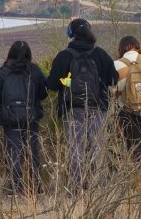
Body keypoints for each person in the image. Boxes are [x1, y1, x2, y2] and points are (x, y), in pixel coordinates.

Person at [47, 18, 117, 192]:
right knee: (97, 147)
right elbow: (114, 79)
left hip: (73, 108)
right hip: (98, 107)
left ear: (71, 34)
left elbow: (52, 85)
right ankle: (97, 187)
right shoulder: (101, 54)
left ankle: (77, 188)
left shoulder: (64, 56)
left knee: (75, 149)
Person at [0, 41, 48, 195]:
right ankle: (35, 186)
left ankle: (16, 187)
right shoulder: (34, 71)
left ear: (11, 53)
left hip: (10, 120)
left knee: (14, 153)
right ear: (28, 54)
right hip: (31, 118)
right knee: (32, 152)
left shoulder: (4, 73)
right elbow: (43, 94)